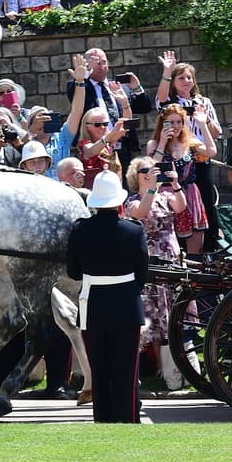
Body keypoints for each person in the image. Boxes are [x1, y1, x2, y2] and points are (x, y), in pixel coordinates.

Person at [66, 169, 148, 424]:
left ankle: (103, 419)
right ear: (119, 200)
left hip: (93, 304)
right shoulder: (134, 231)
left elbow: (73, 271)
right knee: (125, 370)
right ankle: (128, 418)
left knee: (99, 370)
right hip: (125, 303)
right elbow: (142, 273)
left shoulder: (80, 229)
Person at [124, 156, 187, 389]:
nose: (148, 173)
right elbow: (140, 213)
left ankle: (173, 370)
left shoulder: (166, 196)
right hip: (149, 262)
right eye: (143, 170)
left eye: (152, 169)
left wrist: (176, 183)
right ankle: (154, 370)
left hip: (171, 257)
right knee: (152, 317)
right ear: (135, 175)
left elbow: (181, 207)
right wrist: (150, 189)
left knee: (171, 313)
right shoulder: (132, 199)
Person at [154, 53, 223, 250]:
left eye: (189, 77)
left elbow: (217, 132)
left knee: (206, 201)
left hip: (199, 156)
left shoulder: (204, 102)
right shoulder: (171, 103)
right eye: (181, 77)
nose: (186, 81)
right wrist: (167, 71)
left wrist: (204, 119)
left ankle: (210, 246)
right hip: (175, 156)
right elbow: (160, 99)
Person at [66, 47, 154, 171]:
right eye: (96, 63)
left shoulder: (118, 87)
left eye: (104, 62)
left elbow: (144, 107)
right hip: (97, 148)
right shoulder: (81, 85)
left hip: (123, 147)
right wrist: (85, 73)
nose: (101, 66)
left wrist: (137, 88)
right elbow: (75, 94)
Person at [146, 104, 216, 254]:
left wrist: (202, 124)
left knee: (195, 244)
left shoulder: (190, 142)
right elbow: (152, 165)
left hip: (190, 193)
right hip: (165, 195)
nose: (176, 126)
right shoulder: (154, 144)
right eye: (171, 122)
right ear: (163, 123)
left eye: (179, 122)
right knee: (168, 242)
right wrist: (163, 142)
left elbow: (211, 152)